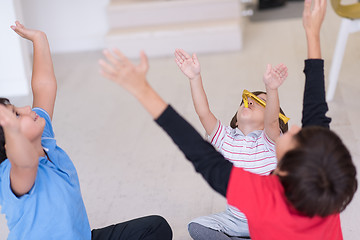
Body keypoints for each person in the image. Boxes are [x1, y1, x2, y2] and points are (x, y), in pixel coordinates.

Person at [99, 0, 357, 238]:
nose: (297, 127)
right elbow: (316, 110)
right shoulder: (324, 192)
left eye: (294, 137)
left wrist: (142, 90)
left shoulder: (262, 197)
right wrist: (312, 33)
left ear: (285, 169)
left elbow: (200, 153)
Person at [0, 21, 172, 240]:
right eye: (16, 115)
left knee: (155, 227)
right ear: (8, 142)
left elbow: (44, 87)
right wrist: (13, 129)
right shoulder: (11, 175)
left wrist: (39, 39)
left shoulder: (43, 139)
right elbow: (24, 162)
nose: (26, 109)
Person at [174, 48, 289, 239]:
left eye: (261, 103)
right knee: (196, 226)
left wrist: (272, 89)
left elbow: (271, 122)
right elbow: (203, 112)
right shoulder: (225, 138)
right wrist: (194, 78)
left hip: (269, 220)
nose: (249, 103)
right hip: (234, 219)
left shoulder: (269, 142)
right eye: (246, 100)